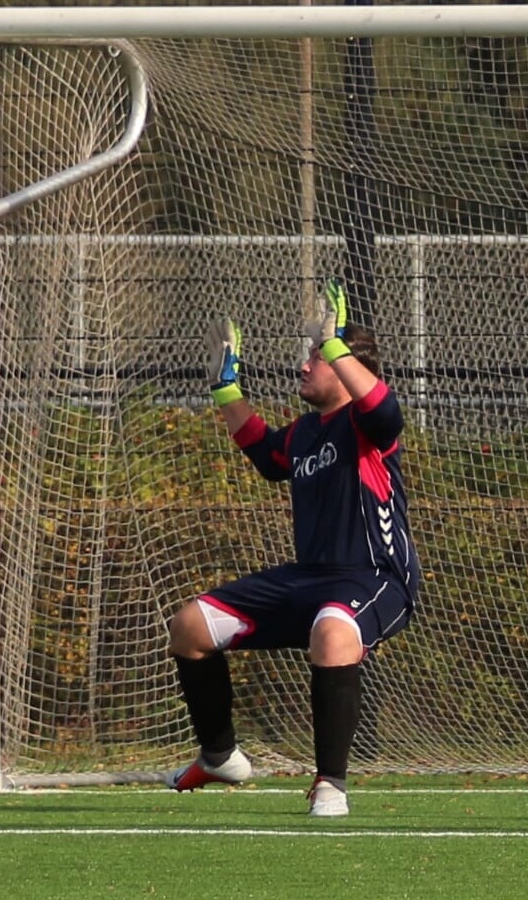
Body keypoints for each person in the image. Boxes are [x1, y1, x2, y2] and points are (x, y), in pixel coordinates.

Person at [165, 279, 419, 817]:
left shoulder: (367, 425)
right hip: (311, 578)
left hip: (374, 577)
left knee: (332, 633)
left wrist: (334, 344)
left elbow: (385, 409)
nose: (303, 366)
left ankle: (330, 785)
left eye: (315, 357)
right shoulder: (306, 433)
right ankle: (219, 756)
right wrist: (224, 387)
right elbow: (264, 452)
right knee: (189, 627)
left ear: (345, 361)